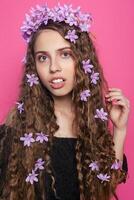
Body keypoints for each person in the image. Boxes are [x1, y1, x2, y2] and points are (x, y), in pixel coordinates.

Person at [0, 3, 130, 200]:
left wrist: (119, 129)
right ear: (34, 66)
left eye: (65, 54)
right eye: (43, 58)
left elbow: (105, 186)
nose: (54, 67)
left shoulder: (92, 121)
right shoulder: (19, 123)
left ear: (82, 59)